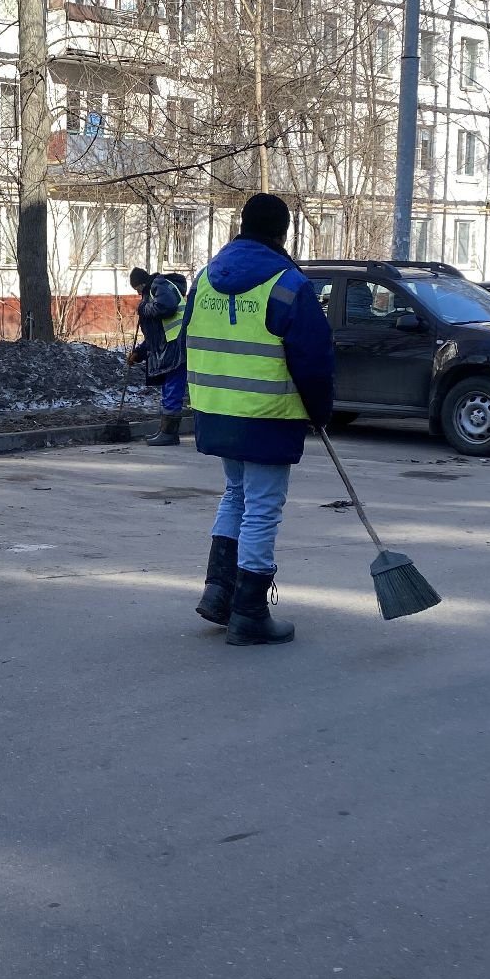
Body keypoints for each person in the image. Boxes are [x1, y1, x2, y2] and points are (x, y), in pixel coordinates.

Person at [181, 194, 335, 646]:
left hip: (216, 410)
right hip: (267, 414)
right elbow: (314, 358)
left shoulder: (206, 278)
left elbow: (186, 338)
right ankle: (249, 612)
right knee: (263, 508)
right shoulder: (287, 284)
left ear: (242, 225)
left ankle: (218, 592)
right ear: (282, 232)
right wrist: (320, 411)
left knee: (235, 496)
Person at [125, 266, 189, 446]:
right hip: (171, 345)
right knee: (169, 389)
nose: (138, 293)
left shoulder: (158, 285)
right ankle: (165, 430)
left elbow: (167, 307)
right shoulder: (155, 291)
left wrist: (143, 308)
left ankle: (168, 433)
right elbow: (156, 335)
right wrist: (139, 353)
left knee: (172, 389)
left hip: (177, 346)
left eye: (137, 289)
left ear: (141, 284)